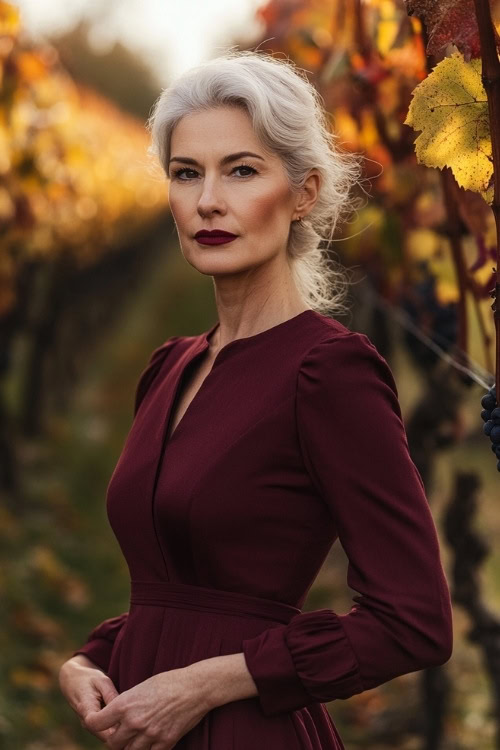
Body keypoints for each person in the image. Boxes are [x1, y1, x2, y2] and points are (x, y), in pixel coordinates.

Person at [58, 49, 453, 749]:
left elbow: (414, 620)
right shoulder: (171, 366)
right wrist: (91, 656)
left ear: (302, 193)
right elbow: (178, 584)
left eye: (242, 170)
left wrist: (208, 682)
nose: (209, 200)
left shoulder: (328, 372)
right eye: (187, 174)